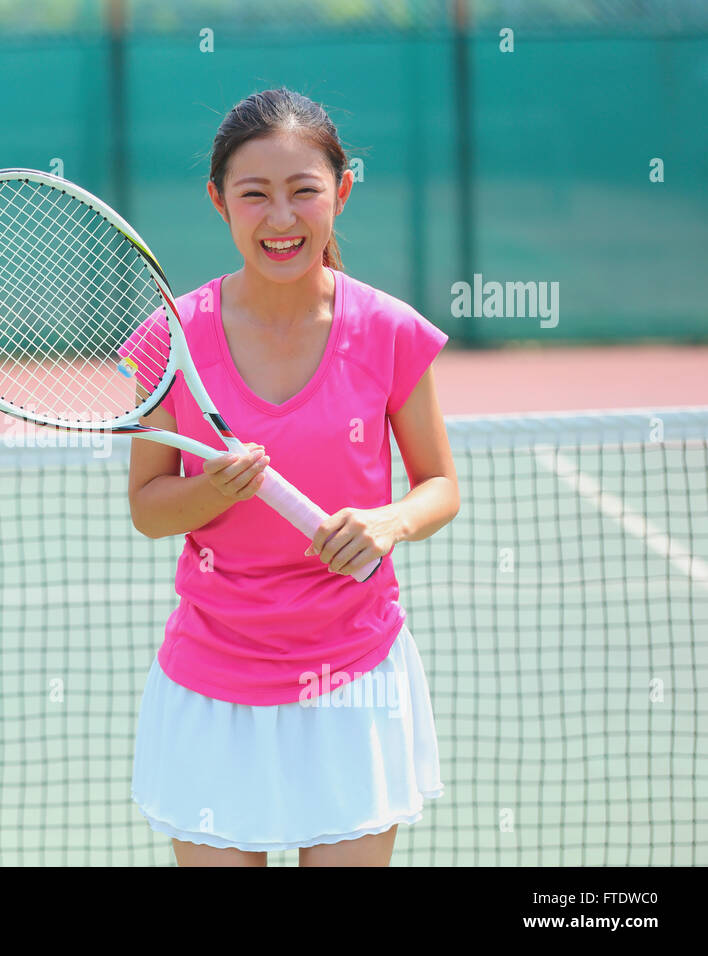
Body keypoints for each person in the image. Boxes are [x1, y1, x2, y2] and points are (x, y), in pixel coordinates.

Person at [124, 88, 460, 867]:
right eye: (255, 195)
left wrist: (389, 523)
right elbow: (148, 508)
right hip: (213, 684)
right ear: (219, 202)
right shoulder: (166, 341)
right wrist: (216, 490)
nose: (282, 218)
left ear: (341, 191)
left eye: (304, 190)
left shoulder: (388, 331)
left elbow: (439, 483)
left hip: (355, 679)